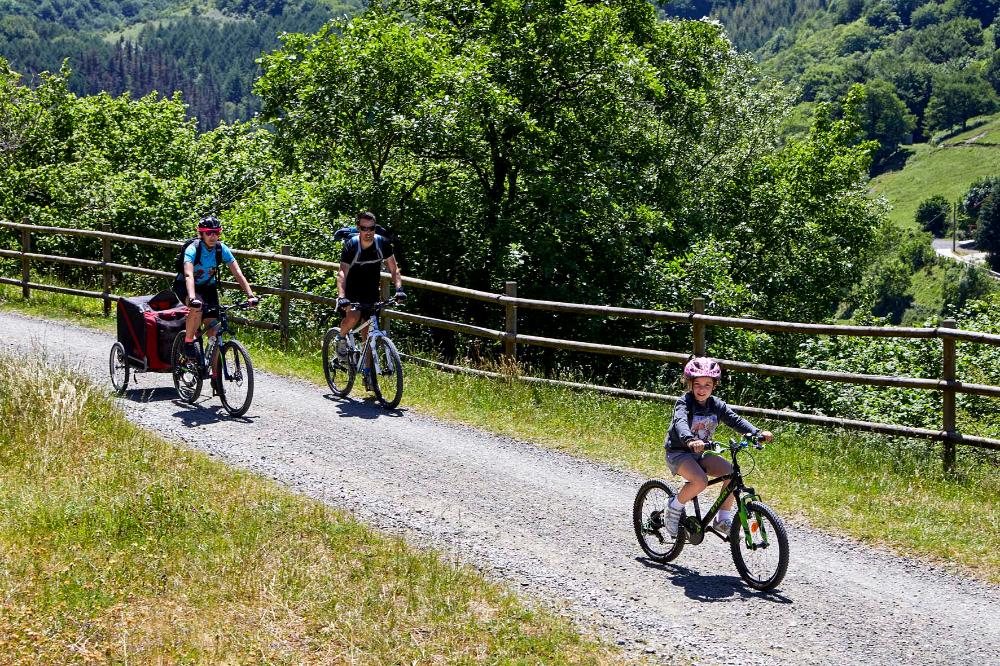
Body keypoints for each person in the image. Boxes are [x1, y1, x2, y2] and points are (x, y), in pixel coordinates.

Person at [663, 357, 773, 537]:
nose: (702, 389)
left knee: (731, 474)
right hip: (679, 452)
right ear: (689, 383)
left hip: (701, 452)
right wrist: (690, 439)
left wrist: (756, 433)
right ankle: (673, 508)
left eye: (707, 384)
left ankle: (722, 520)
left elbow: (735, 420)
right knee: (700, 481)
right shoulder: (684, 402)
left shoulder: (716, 405)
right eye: (697, 384)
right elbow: (680, 422)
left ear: (714, 385)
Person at [334, 212, 406, 388]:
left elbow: (394, 270)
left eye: (371, 228)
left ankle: (368, 374)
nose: (368, 232)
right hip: (351, 290)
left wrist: (399, 290)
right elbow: (342, 272)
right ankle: (340, 338)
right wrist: (342, 297)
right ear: (358, 228)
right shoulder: (352, 245)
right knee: (353, 317)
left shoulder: (382, 244)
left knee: (368, 333)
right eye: (364, 228)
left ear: (375, 228)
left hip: (371, 290)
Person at [173, 215, 258, 361]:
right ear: (201, 234)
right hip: (187, 287)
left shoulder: (221, 249)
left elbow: (237, 272)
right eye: (208, 233)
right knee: (197, 309)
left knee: (214, 332)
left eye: (216, 232)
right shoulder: (193, 249)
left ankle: (216, 377)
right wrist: (192, 298)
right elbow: (188, 274)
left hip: (208, 287)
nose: (213, 236)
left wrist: (250, 295)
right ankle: (188, 342)